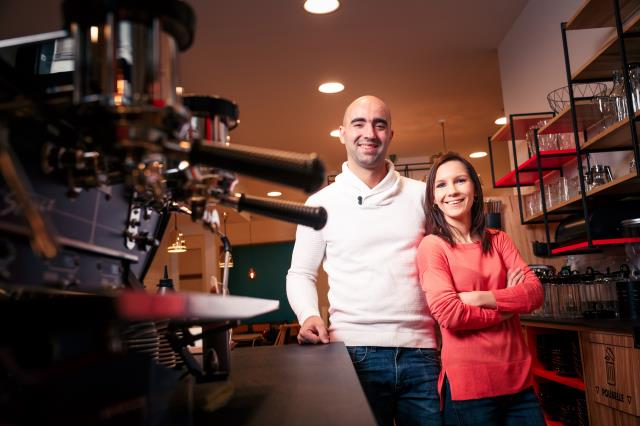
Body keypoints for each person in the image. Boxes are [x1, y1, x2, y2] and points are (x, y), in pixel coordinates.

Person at [286, 95, 441, 426]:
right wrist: (309, 315)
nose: (369, 132)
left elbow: (447, 261)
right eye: (358, 123)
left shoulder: (423, 196)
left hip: (423, 353)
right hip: (352, 354)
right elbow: (300, 273)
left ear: (390, 135)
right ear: (341, 133)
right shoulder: (319, 204)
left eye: (379, 124)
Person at [416, 152, 545, 426]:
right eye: (441, 185)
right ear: (434, 199)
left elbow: (534, 292)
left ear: (474, 189)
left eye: (460, 181)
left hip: (520, 383)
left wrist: (481, 298)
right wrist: (506, 310)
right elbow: (450, 315)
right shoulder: (433, 247)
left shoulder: (499, 241)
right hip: (470, 391)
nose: (451, 191)